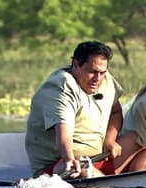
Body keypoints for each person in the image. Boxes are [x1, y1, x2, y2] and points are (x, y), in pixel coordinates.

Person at [25, 40, 125, 179]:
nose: (98, 78)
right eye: (92, 72)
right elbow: (63, 131)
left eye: (102, 72)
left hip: (100, 156)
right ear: (76, 64)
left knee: (139, 141)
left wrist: (110, 140)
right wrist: (69, 159)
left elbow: (116, 112)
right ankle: (111, 187)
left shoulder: (105, 79)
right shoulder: (62, 87)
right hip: (60, 165)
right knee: (82, 169)